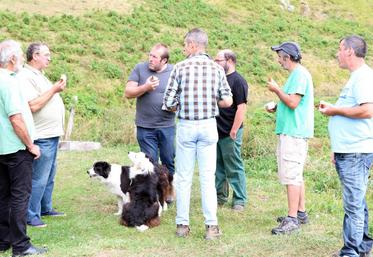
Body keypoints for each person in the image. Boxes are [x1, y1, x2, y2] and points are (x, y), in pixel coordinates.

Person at [163, 28, 233, 240]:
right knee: (207, 177)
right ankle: (211, 226)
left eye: (185, 45)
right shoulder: (217, 69)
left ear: (193, 45)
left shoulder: (179, 68)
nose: (184, 49)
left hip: (186, 125)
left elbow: (167, 103)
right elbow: (228, 101)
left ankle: (182, 225)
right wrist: (213, 102)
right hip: (209, 126)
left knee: (184, 178)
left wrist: (182, 105)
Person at [319, 35, 373, 257]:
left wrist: (334, 110)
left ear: (350, 51)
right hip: (349, 149)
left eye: (340, 49)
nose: (337, 53)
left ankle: (350, 252)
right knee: (357, 199)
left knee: (353, 204)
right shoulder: (357, 77)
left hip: (355, 151)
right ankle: (363, 245)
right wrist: (336, 146)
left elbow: (367, 110)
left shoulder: (362, 77)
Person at [0, 40, 47, 256]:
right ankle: (21, 246)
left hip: (2, 149)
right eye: (19, 55)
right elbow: (16, 119)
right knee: (20, 197)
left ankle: (3, 240)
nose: (21, 59)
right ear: (11, 59)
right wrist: (30, 145)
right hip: (16, 149)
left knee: (4, 196)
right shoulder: (8, 82)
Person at [265, 41, 314, 235]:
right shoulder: (297, 75)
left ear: (288, 57)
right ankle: (300, 213)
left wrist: (277, 90)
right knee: (296, 174)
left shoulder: (300, 74)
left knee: (291, 175)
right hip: (294, 131)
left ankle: (292, 219)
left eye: (280, 57)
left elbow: (293, 102)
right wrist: (278, 107)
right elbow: (293, 101)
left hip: (294, 133)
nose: (279, 61)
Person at [17, 43, 66, 228]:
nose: (49, 58)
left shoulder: (40, 75)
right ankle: (31, 215)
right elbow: (33, 105)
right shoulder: (25, 76)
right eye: (46, 55)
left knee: (50, 174)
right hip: (41, 135)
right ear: (35, 56)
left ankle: (45, 207)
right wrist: (54, 89)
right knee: (38, 177)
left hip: (51, 133)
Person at [125, 43, 175, 178]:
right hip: (145, 127)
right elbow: (128, 93)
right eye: (150, 55)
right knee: (150, 163)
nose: (150, 59)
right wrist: (145, 87)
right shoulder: (140, 69)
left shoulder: (174, 71)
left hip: (167, 126)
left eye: (155, 57)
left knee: (168, 161)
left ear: (164, 60)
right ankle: (154, 195)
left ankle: (168, 192)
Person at [214, 49, 248, 211]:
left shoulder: (238, 81)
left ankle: (239, 199)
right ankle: (220, 197)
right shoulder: (218, 79)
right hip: (216, 131)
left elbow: (241, 108)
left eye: (218, 60)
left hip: (231, 131)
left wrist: (234, 130)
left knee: (233, 166)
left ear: (229, 60)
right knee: (218, 166)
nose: (216, 63)